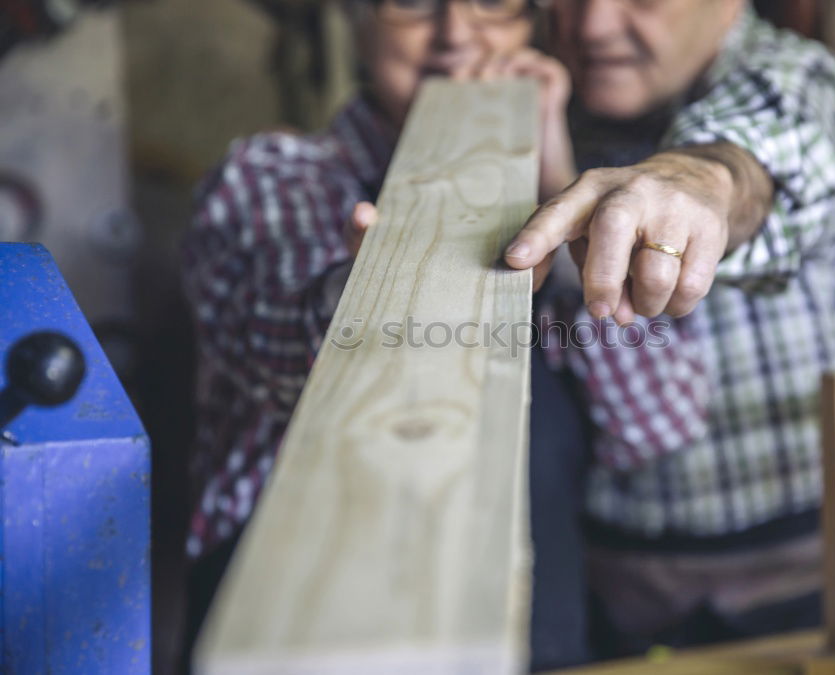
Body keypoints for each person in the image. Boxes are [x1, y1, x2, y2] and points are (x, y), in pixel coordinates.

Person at [498, 0, 835, 657]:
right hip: (615, 597)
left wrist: (690, 180)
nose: (593, 25)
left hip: (823, 586)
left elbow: (753, 156)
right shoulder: (558, 103)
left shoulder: (799, 82)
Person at [180, 0, 590, 669]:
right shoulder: (272, 174)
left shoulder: (573, 189)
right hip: (298, 624)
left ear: (530, 25)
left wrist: (557, 184)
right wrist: (362, 290)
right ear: (356, 21)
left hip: (525, 625)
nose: (456, 34)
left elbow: (655, 424)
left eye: (492, 3)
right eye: (411, 3)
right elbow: (266, 343)